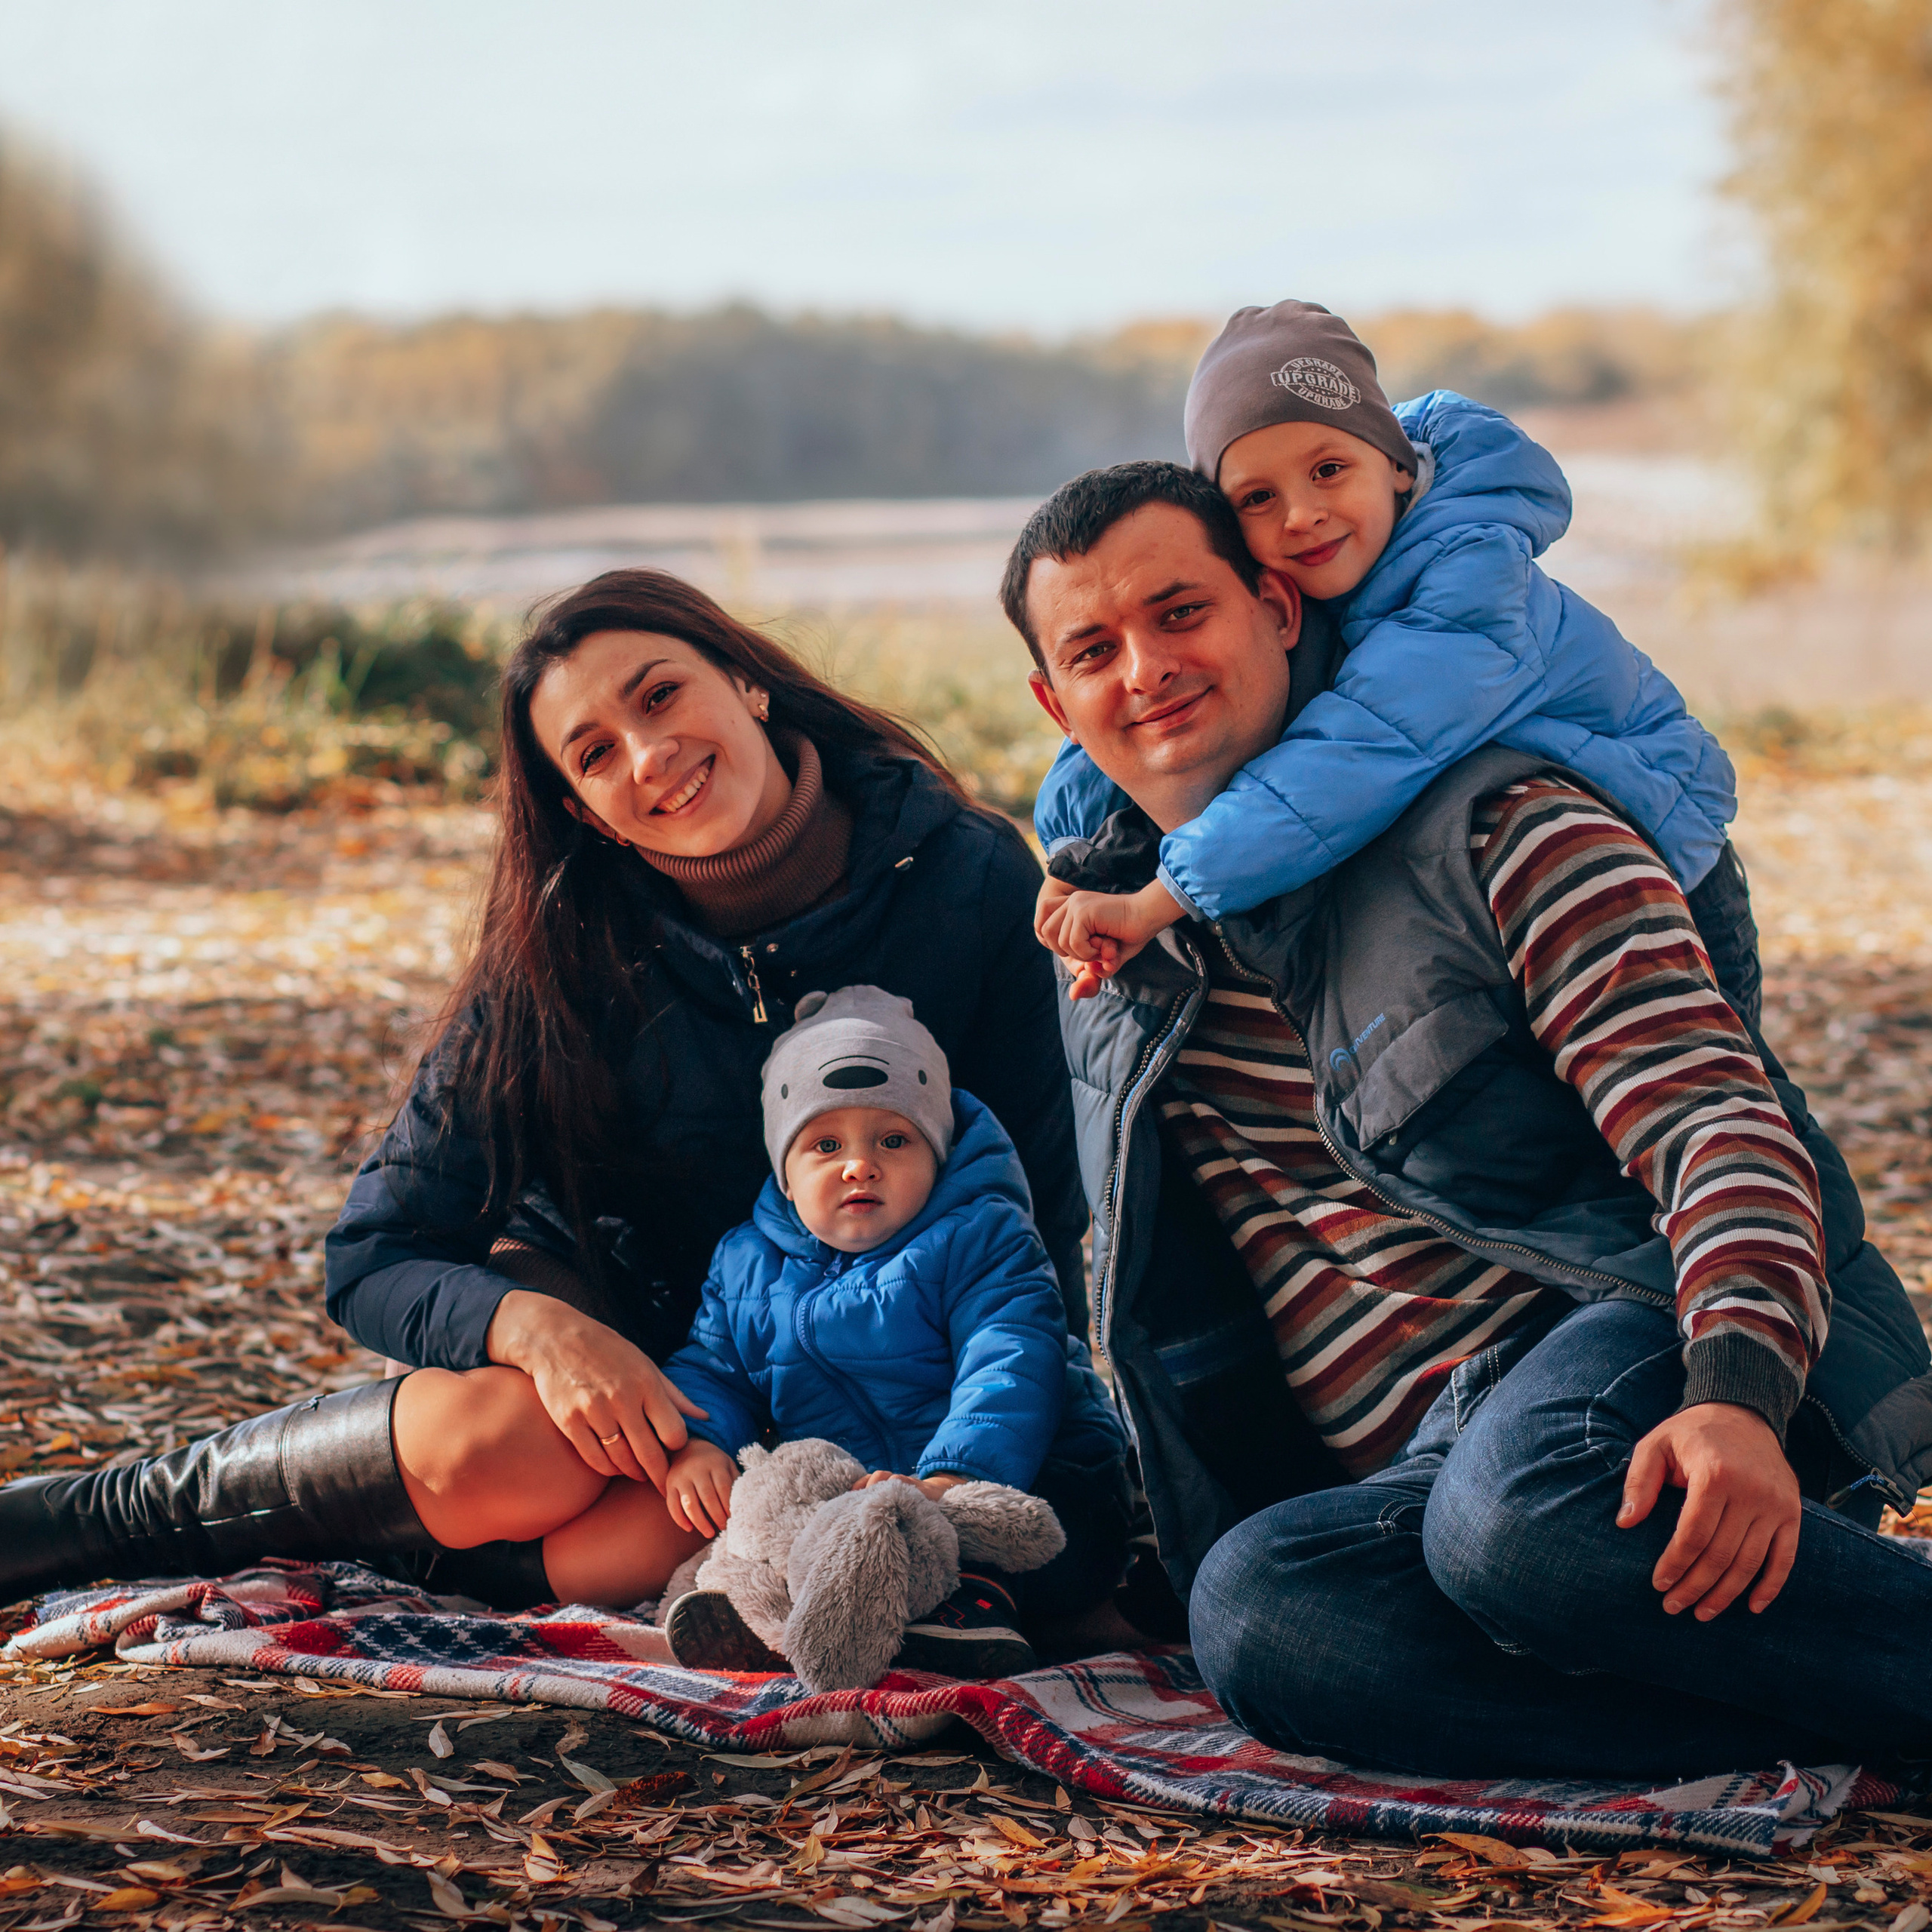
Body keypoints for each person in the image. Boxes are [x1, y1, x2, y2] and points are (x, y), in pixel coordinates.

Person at [1002, 458, 1932, 1776]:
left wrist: (1737, 1391)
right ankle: (1826, 1719)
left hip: (1622, 1359)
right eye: (1094, 648)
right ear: (1053, 701)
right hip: (1408, 1489)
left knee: (1518, 1517)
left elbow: (1716, 1121)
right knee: (1262, 1618)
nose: (1145, 668)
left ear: (1277, 607)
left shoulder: (1502, 822)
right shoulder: (1105, 955)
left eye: (1181, 613)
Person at [0, 568, 1109, 1632]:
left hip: (867, 1362)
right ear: (588, 813)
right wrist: (536, 1330)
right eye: (596, 753)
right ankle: (103, 1517)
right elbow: (373, 1256)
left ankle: (423, 1555)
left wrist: (995, 1437)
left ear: (746, 681)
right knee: (521, 1444)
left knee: (873, 1537)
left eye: (662, 693)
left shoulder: (966, 877)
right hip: (632, 1348)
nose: (651, 753)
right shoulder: (566, 944)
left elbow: (1036, 1213)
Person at [1028, 300, 1763, 1047]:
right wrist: (1071, 851)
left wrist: (1161, 897)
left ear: (1397, 467)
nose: (1301, 515)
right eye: (1257, 497)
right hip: (1521, 870)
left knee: (1714, 1090)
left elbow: (1353, 755)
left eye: (1328, 470)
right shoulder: (1313, 573)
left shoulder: (1468, 589)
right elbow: (1130, 711)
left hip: (1657, 863)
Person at [654, 986, 1128, 1678]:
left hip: (1019, 1476)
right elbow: (715, 1366)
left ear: (936, 1157)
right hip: (859, 1499)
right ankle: (759, 1614)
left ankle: (972, 1613)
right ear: (784, 1175)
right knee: (772, 1512)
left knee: (1018, 1530)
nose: (859, 1164)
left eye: (894, 1140)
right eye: (824, 1144)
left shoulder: (979, 1236)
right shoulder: (747, 1263)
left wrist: (954, 1474)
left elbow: (1010, 1361)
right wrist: (701, 1440)